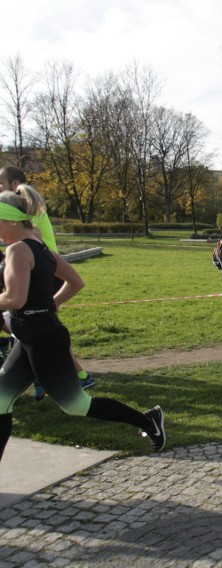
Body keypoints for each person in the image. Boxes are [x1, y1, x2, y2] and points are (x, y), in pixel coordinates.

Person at [0, 185, 165, 462]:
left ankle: (149, 421)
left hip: (44, 341)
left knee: (77, 405)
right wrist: (52, 304)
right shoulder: (40, 246)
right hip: (32, 337)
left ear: (10, 219)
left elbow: (15, 299)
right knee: (0, 401)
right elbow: (75, 283)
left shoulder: (18, 249)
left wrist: (46, 305)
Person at [0, 165, 94, 398]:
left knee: (43, 332)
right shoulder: (26, 228)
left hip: (39, 274)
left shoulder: (22, 239)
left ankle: (68, 377)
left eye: (2, 182)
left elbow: (15, 298)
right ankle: (56, 377)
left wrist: (49, 303)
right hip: (43, 273)